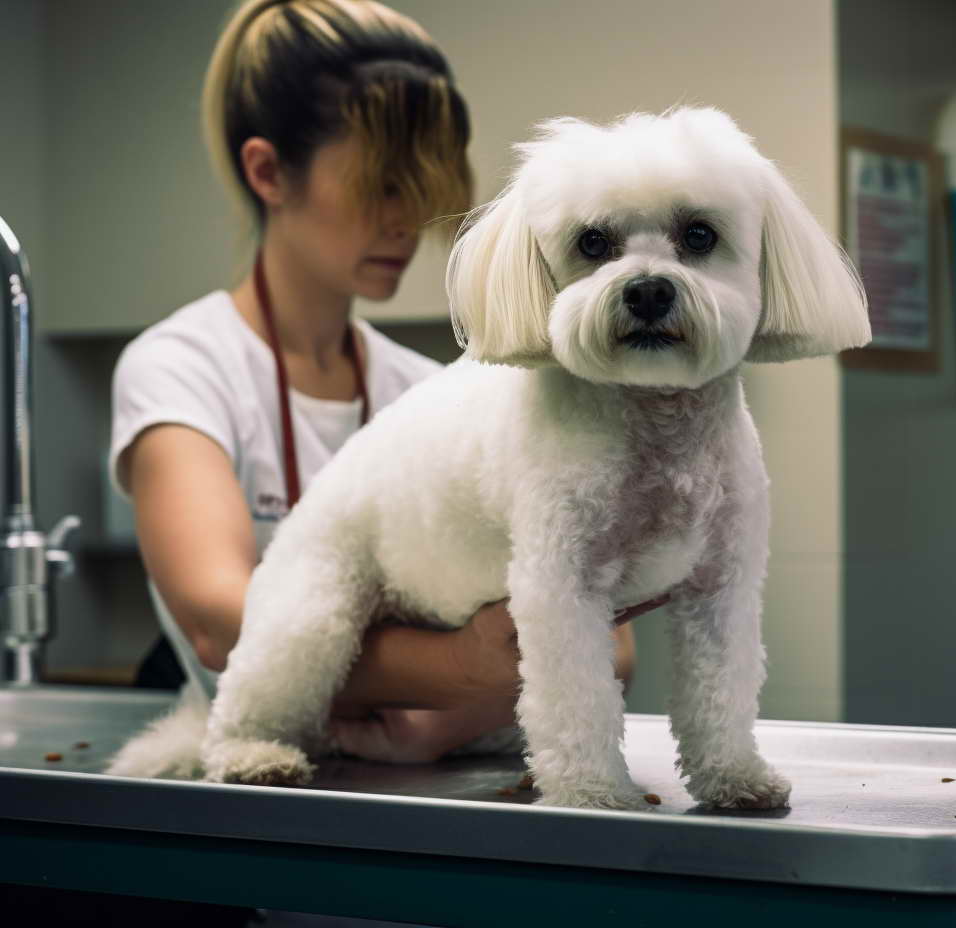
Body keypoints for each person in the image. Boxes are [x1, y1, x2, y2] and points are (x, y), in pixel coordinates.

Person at [111, 0, 661, 773]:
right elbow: (217, 620)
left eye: (421, 184)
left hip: (426, 781)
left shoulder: (425, 388)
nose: (407, 220)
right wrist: (459, 671)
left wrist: (449, 718)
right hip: (253, 775)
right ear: (267, 172)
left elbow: (612, 641)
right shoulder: (182, 367)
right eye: (379, 184)